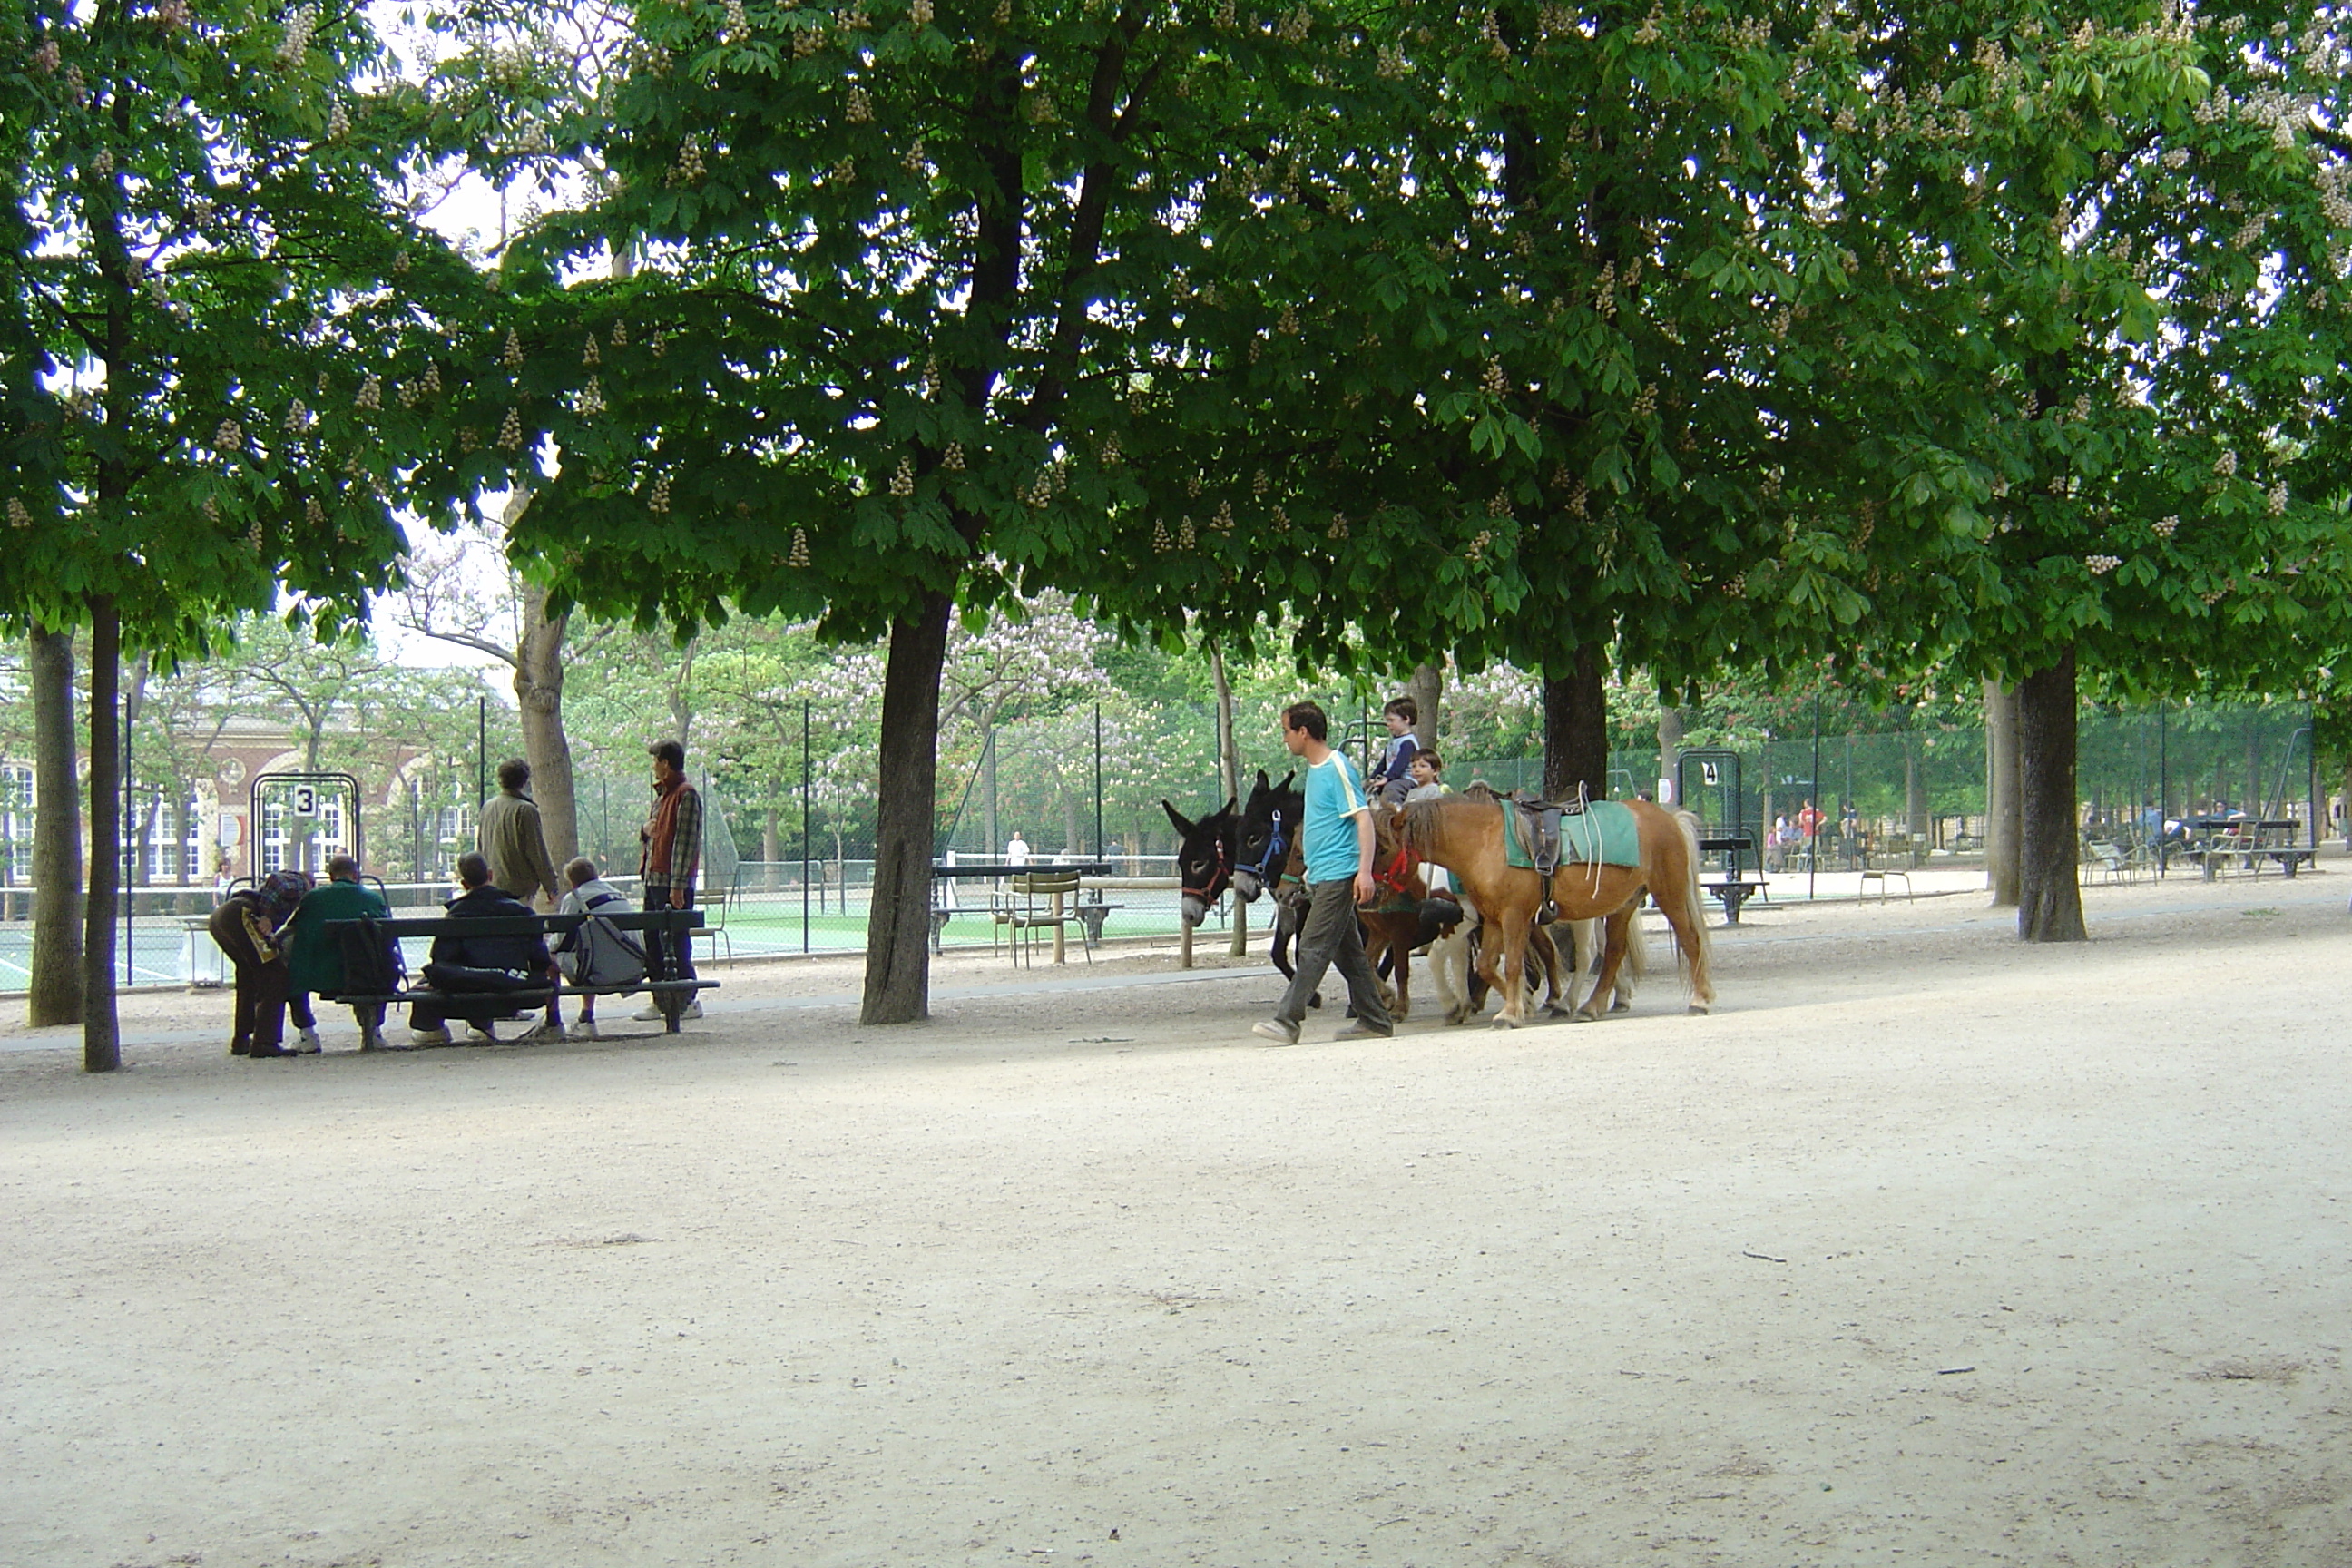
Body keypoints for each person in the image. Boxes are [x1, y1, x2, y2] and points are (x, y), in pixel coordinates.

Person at [1252, 701, 1394, 1045]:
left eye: (1286, 731)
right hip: (1323, 874)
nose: (1284, 738)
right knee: (1349, 953)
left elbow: (1363, 819)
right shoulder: (1316, 770)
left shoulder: (1336, 767)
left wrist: (1364, 872)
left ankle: (1288, 1021)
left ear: (1303, 731)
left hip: (1340, 873)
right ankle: (1375, 1019)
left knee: (1312, 946)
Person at [409, 852, 559, 1046]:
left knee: (433, 982)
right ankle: (482, 1027)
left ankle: (433, 1031)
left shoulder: (456, 914)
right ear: (490, 875)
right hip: (516, 984)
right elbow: (540, 959)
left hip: (468, 988)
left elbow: (442, 960)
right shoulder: (521, 911)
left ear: (464, 884)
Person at [280, 854, 397, 1052]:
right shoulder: (372, 898)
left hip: (317, 975)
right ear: (356, 874)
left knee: (288, 963)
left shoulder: (313, 898)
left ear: (331, 876)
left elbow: (294, 930)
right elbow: (389, 939)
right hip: (363, 976)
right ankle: (373, 1031)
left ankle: (307, 1034)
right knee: (382, 960)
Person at [634, 739, 704, 1022]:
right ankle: (661, 998)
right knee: (653, 941)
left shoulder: (686, 796)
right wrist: (644, 831)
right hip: (654, 881)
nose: (653, 766)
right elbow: (656, 837)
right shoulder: (662, 796)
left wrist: (678, 884)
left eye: (656, 760)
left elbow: (685, 845)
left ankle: (686, 999)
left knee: (676, 942)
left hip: (670, 883)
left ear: (666, 763)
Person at [208, 869, 311, 1058]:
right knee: (276, 975)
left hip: (222, 917)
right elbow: (277, 881)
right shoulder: (301, 883)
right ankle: (265, 1041)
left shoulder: (279, 900)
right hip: (241, 915)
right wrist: (265, 915)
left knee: (249, 975)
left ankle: (241, 1039)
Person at [554, 856, 644, 1040]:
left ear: (572, 882)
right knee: (592, 951)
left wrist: (549, 943)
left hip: (600, 971)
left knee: (551, 955)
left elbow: (559, 942)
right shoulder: (617, 893)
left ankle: (554, 1020)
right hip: (634, 966)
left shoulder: (575, 899)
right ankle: (585, 1017)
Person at [477, 759, 564, 910]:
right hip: (519, 889)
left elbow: (480, 847)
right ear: (524, 782)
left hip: (492, 887)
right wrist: (551, 886)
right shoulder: (526, 810)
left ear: (500, 780)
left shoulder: (487, 807)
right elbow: (537, 852)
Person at [1365, 696, 1421, 807]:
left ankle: (1394, 813)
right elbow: (1383, 764)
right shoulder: (1393, 742)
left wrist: (1387, 778)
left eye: (1391, 720)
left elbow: (1400, 765)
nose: (1388, 724)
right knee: (1366, 787)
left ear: (1406, 719)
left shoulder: (1408, 743)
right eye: (1387, 720)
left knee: (1392, 788)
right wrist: (1372, 778)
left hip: (1406, 781)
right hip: (1393, 778)